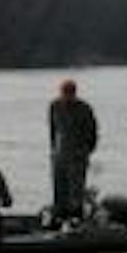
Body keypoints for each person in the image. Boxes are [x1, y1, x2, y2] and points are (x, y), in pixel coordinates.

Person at [46, 78, 98, 221]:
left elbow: (92, 132)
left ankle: (76, 216)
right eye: (64, 93)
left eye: (70, 93)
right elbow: (53, 129)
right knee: (59, 188)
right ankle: (59, 215)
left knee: (76, 190)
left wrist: (86, 152)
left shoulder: (84, 108)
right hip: (59, 155)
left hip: (77, 156)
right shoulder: (54, 106)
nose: (67, 97)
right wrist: (53, 149)